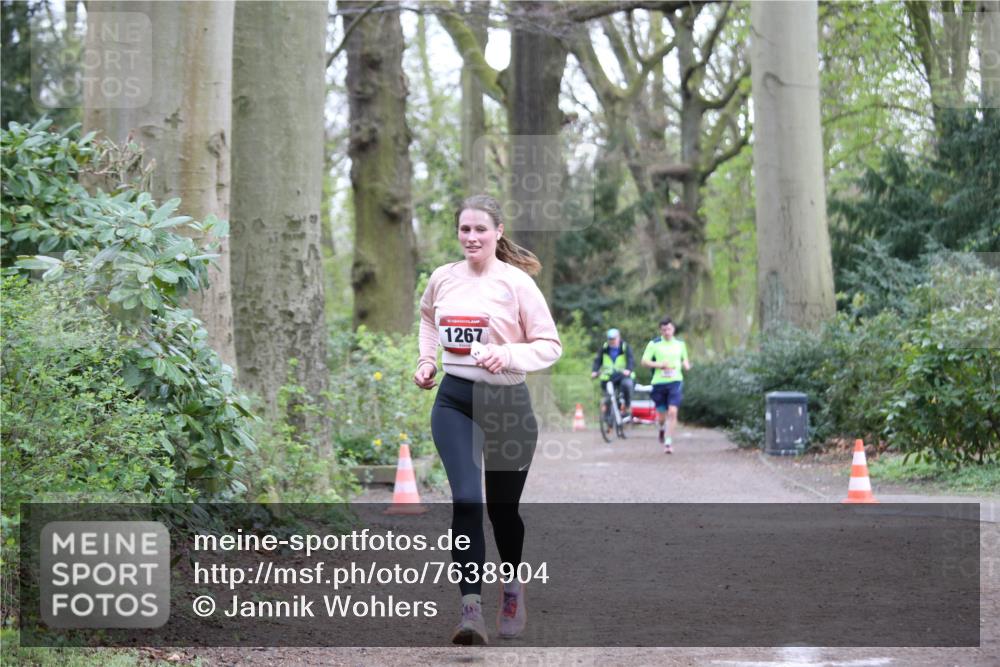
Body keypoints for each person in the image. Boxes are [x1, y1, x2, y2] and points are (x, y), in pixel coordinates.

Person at [413, 194, 562, 645]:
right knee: (466, 501)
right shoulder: (443, 278)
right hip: (455, 401)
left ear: (498, 232)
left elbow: (550, 345)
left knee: (502, 511)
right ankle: (470, 610)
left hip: (507, 405)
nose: (472, 237)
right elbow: (428, 320)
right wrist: (426, 360)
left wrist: (508, 354)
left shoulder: (517, 283)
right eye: (465, 229)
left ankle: (512, 587)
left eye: (480, 229)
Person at [640, 316, 691, 454]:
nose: (667, 332)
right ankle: (662, 428)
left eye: (669, 329)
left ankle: (668, 442)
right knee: (661, 416)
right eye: (664, 330)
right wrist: (660, 365)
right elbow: (644, 362)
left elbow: (685, 359)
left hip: (675, 381)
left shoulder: (680, 344)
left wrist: (687, 365)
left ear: (673, 329)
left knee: (673, 411)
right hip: (658, 383)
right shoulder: (654, 344)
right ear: (660, 331)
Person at [590, 328, 635, 419]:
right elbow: (597, 360)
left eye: (614, 339)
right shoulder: (604, 348)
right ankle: (608, 417)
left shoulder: (625, 347)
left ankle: (627, 407)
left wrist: (628, 370)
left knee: (627, 385)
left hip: (623, 376)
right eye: (610, 339)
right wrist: (595, 371)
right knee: (608, 396)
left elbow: (631, 360)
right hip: (609, 377)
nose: (612, 341)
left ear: (619, 337)